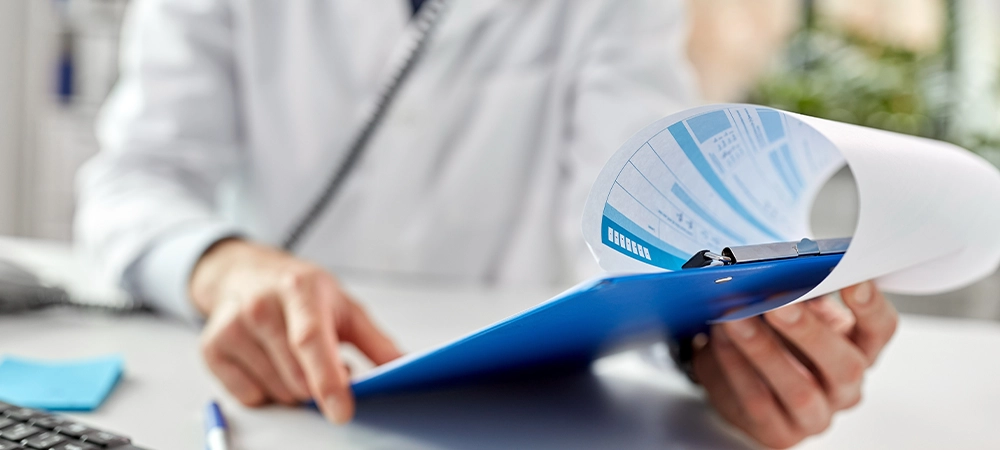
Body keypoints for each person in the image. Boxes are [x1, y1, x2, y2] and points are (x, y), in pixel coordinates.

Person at [74, 0, 898, 448]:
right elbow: (132, 177)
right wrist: (223, 266)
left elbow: (637, 212)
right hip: (277, 400)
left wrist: (713, 339)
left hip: (523, 413)